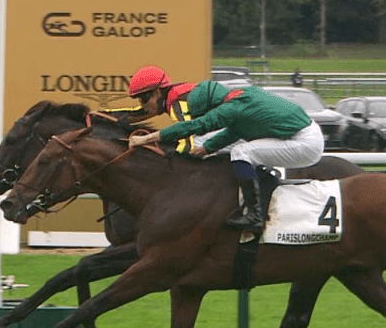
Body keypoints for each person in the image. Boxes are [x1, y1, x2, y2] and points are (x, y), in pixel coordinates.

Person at [128, 79, 323, 233]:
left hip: (305, 143)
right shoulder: (242, 95)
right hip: (306, 134)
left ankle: (255, 215)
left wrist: (148, 138)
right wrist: (207, 148)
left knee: (241, 152)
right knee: (244, 151)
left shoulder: (230, 108)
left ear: (211, 107)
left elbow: (196, 126)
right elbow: (235, 130)